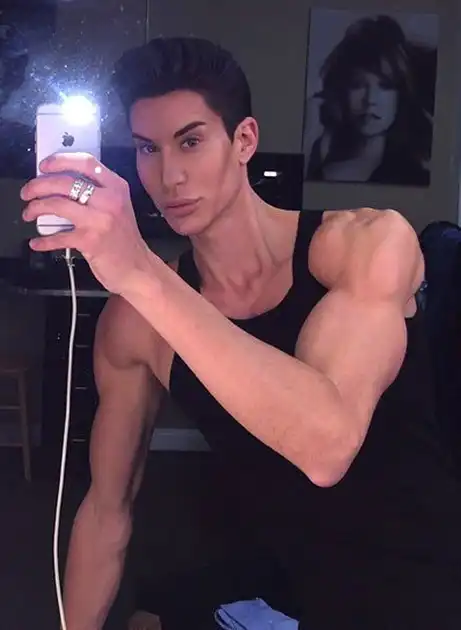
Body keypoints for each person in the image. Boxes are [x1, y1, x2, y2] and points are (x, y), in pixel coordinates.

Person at [20, 36, 461, 629]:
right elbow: (106, 512)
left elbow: (326, 446)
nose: (169, 175)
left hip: (419, 580)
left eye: (191, 141)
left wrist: (141, 271)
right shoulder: (135, 322)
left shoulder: (364, 244)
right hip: (286, 573)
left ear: (244, 141)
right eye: (147, 148)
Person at [303, 15, 434, 186]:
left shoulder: (415, 179)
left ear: (400, 95)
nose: (370, 100)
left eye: (385, 86)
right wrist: (309, 137)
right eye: (357, 85)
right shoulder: (316, 170)